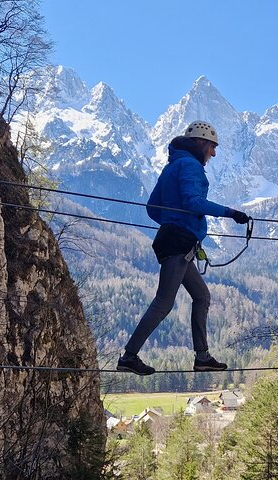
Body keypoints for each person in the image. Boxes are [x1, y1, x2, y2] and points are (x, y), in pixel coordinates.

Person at [117, 121, 250, 376]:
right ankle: (129, 356)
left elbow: (152, 208)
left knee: (202, 296)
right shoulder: (191, 165)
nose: (213, 153)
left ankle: (202, 357)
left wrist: (172, 222)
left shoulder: (171, 166)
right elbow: (193, 201)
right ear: (201, 143)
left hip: (174, 240)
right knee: (163, 303)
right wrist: (231, 213)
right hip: (179, 242)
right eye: (212, 146)